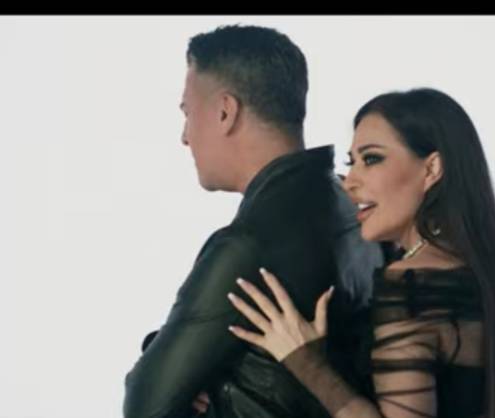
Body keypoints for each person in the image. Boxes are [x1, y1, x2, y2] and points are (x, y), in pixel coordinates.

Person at [226, 88, 495, 418]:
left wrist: (306, 363)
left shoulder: (412, 284)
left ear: (432, 169)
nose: (350, 182)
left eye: (371, 159)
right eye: (351, 162)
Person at [123, 24, 382, 418]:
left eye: (188, 113)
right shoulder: (353, 207)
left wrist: (196, 380)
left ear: (225, 112)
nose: (185, 137)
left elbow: (146, 406)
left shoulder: (247, 244)